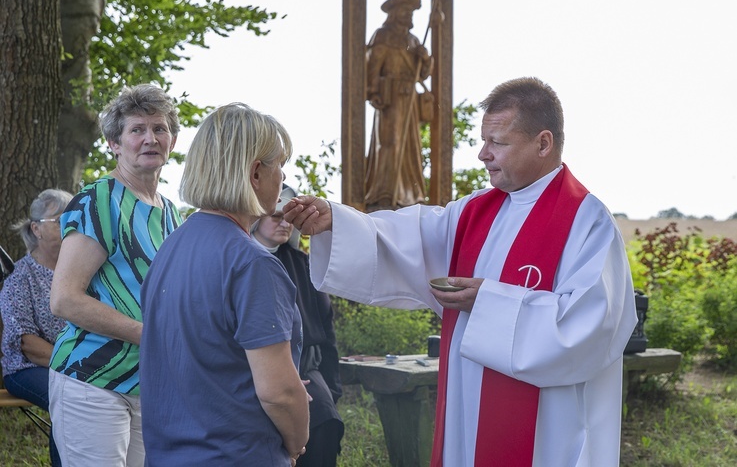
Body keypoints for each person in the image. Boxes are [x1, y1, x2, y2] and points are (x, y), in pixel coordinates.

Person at [284, 77, 638, 467]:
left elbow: (591, 327)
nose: (483, 154)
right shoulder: (474, 212)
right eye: (484, 141)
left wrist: (487, 301)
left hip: (547, 432)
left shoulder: (586, 222)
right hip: (470, 411)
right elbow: (408, 239)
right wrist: (337, 220)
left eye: (498, 142)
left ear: (543, 143)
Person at [139, 103, 309, 466]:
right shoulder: (253, 264)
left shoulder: (170, 247)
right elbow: (278, 392)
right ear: (254, 174)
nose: (282, 178)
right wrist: (296, 443)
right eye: (279, 165)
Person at [48, 84, 181, 467]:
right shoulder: (98, 200)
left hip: (149, 383)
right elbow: (65, 299)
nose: (150, 138)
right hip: (91, 378)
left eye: (159, 128)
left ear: (172, 140)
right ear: (114, 143)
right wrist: (149, 335)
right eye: (137, 130)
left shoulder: (171, 212)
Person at [252, 184, 344, 467]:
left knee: (323, 426)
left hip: (307, 367)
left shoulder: (302, 264)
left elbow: (325, 329)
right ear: (256, 216)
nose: (284, 224)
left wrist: (331, 385)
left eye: (289, 219)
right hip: (255, 372)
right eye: (276, 216)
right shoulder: (239, 260)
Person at [1, 188, 73, 467]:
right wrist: (77, 364)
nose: (70, 225)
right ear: (36, 229)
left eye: (73, 218)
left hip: (74, 368)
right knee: (67, 401)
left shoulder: (80, 271)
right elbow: (27, 345)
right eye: (60, 220)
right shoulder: (19, 276)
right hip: (26, 369)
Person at [364, 0, 434, 211]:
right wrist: (373, 91)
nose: (409, 15)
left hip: (409, 99)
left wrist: (424, 59)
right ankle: (385, 191)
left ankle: (410, 193)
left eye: (411, 12)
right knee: (390, 142)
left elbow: (421, 75)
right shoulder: (383, 35)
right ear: (395, 13)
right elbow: (373, 65)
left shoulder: (413, 40)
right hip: (391, 97)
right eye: (405, 11)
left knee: (410, 146)